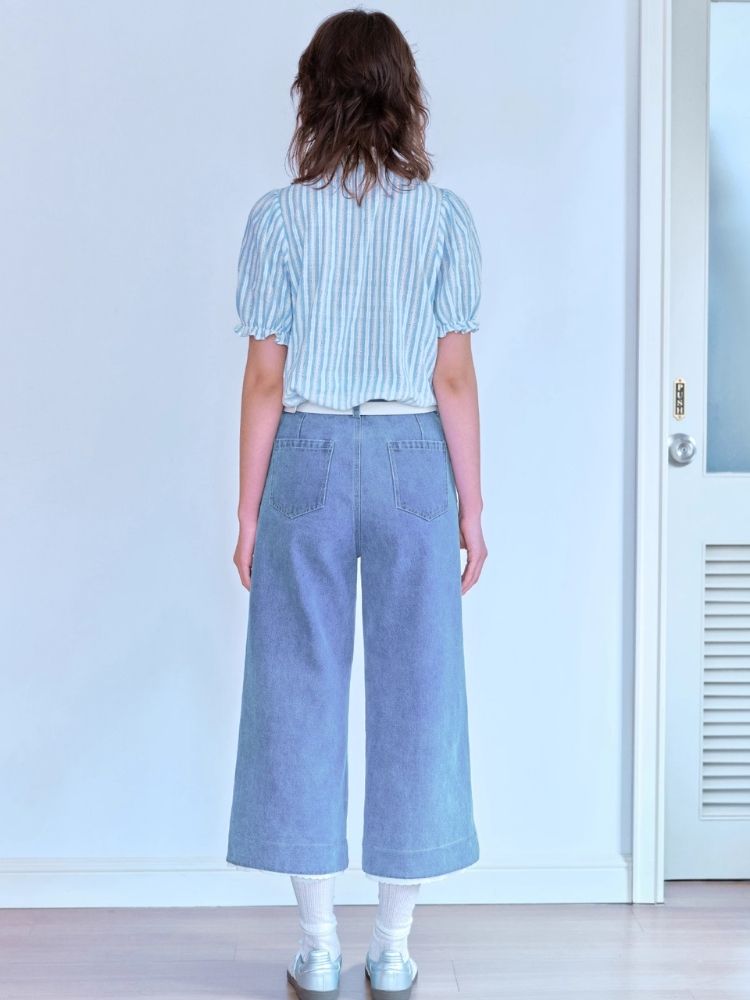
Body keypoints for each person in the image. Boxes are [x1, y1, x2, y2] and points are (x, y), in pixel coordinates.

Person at [225, 8, 487, 998]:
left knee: (297, 687)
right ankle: (395, 947)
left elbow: (265, 379)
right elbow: (452, 378)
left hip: (310, 452)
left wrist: (248, 510)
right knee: (421, 691)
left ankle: (320, 946)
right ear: (401, 95)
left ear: (316, 96)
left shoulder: (278, 218)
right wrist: (471, 508)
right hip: (415, 454)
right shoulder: (444, 218)